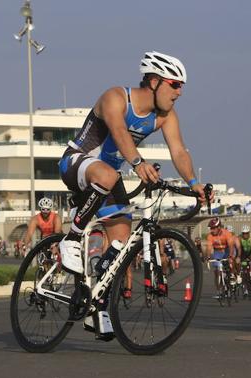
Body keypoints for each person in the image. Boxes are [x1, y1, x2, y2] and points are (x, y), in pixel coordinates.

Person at [57, 51, 211, 338]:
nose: (179, 92)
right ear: (154, 81)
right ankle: (72, 238)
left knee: (121, 244)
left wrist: (193, 183)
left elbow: (178, 150)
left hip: (108, 178)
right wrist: (138, 163)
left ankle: (96, 303)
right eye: (174, 84)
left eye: (181, 86)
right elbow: (117, 131)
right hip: (77, 163)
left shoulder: (166, 117)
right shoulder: (116, 97)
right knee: (109, 174)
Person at [205, 217, 235, 298]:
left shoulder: (226, 233)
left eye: (213, 228)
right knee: (217, 271)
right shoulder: (210, 236)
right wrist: (207, 257)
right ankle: (219, 291)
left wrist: (230, 256)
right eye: (211, 228)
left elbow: (231, 245)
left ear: (218, 227)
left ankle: (231, 275)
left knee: (230, 262)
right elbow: (209, 247)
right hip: (217, 251)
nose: (211, 230)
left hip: (227, 250)